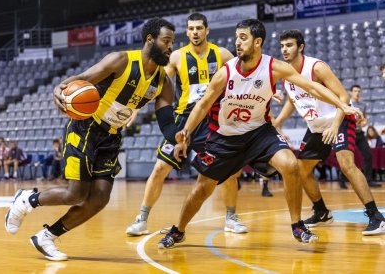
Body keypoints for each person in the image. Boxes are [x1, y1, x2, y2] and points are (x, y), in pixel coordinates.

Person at [157, 19, 362, 249]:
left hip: (259, 132)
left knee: (291, 165)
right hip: (226, 137)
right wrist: (185, 132)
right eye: (236, 38)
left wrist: (341, 105)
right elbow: (203, 104)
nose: (237, 42)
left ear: (258, 42)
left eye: (242, 38)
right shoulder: (225, 73)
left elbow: (313, 87)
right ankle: (178, 230)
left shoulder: (274, 67)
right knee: (201, 188)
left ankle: (297, 225)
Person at [5, 17, 177, 261]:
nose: (170, 47)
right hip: (86, 128)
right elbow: (82, 78)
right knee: (76, 193)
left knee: (99, 199)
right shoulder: (122, 60)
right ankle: (26, 200)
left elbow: (167, 122)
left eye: (172, 42)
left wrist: (180, 138)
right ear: (150, 39)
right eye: (166, 41)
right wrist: (60, 88)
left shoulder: (164, 83)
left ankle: (46, 237)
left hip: (111, 137)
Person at [126, 13, 248, 236]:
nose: (194, 32)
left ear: (207, 30)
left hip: (212, 121)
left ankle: (231, 217)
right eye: (190, 28)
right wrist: (135, 108)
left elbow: (244, 76)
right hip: (183, 120)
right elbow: (157, 83)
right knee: (160, 168)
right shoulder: (176, 57)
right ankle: (142, 218)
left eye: (199, 28)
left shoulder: (221, 54)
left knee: (229, 172)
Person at [273, 29, 385, 235]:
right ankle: (322, 211)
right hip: (316, 126)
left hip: (340, 118)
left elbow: (343, 97)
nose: (284, 49)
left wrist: (334, 126)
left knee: (346, 164)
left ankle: (376, 217)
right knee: (301, 169)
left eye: (289, 45)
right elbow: (292, 99)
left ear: (301, 47)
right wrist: (277, 122)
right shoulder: (287, 75)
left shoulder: (317, 67)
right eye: (282, 46)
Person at [350, 85, 381, 187]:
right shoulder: (347, 103)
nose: (357, 93)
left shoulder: (363, 105)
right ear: (351, 92)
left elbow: (365, 119)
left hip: (359, 134)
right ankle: (343, 181)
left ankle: (368, 180)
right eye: (355, 91)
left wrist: (364, 122)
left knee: (368, 155)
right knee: (348, 157)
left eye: (359, 91)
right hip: (350, 133)